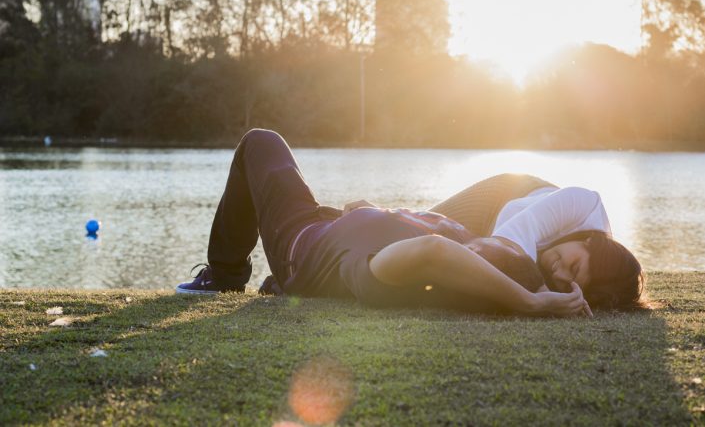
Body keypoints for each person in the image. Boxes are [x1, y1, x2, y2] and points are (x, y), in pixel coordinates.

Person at [176, 129, 592, 317]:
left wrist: (531, 301)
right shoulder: (463, 241)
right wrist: (376, 210)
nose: (480, 243)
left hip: (297, 241)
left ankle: (226, 276)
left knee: (260, 142)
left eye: (484, 254)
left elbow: (433, 252)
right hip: (331, 222)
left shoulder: (393, 276)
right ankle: (270, 285)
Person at [427, 174, 644, 310]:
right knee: (413, 234)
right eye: (574, 266)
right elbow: (508, 242)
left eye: (568, 285)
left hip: (485, 240)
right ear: (589, 242)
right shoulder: (583, 203)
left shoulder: (565, 274)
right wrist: (538, 295)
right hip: (494, 199)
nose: (559, 275)